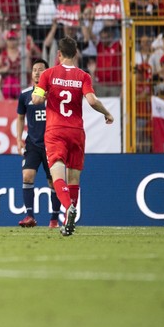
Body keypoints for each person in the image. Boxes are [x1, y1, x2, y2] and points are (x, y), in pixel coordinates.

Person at [31, 36, 114, 237]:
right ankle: (70, 222)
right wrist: (107, 113)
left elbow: (36, 99)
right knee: (74, 178)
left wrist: (43, 94)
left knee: (57, 176)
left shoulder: (48, 74)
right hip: (76, 131)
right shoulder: (83, 76)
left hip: (55, 131)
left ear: (58, 54)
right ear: (76, 54)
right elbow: (92, 101)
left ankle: (68, 207)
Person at [16, 58, 61, 228]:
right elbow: (20, 118)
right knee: (27, 175)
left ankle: (54, 219)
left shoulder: (54, 94)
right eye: (34, 69)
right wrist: (18, 138)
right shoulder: (25, 95)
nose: (36, 72)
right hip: (33, 144)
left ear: (47, 73)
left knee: (52, 182)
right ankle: (29, 216)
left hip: (51, 144)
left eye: (40, 69)